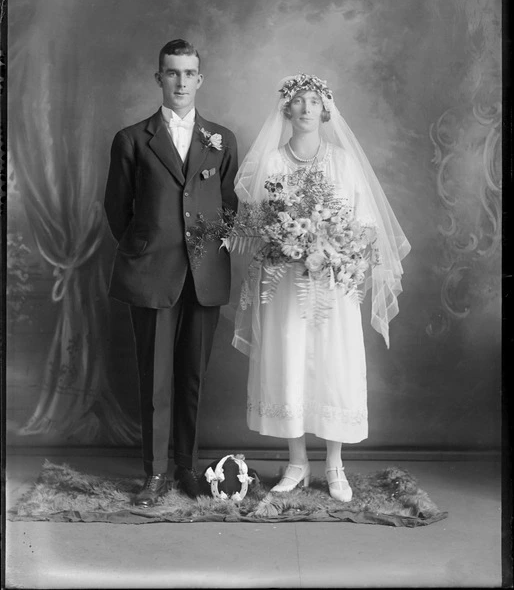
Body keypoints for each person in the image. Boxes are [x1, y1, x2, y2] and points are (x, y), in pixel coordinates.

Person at [232, 74, 410, 502]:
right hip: (286, 284)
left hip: (332, 285)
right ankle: (296, 462)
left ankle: (334, 465)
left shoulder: (342, 163)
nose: (307, 108)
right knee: (288, 359)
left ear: (325, 109)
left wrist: (336, 244)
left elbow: (366, 226)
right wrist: (285, 239)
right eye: (299, 101)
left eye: (315, 101)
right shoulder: (272, 164)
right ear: (286, 110)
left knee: (333, 364)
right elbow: (254, 228)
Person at [104, 39, 238, 506]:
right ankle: (155, 473)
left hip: (205, 276)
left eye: (189, 73)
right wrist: (146, 248)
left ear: (200, 79)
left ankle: (187, 467)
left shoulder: (221, 139)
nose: (181, 81)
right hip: (152, 273)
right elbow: (117, 210)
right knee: (156, 379)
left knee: (193, 379)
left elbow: (229, 206)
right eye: (171, 72)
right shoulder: (131, 139)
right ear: (158, 77)